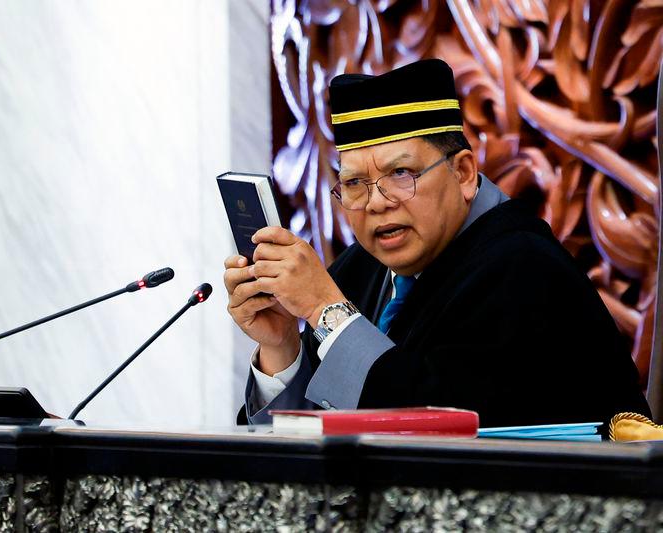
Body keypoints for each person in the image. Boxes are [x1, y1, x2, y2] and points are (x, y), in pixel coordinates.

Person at [223, 59, 651, 427]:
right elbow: (312, 436)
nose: (376, 203)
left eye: (401, 175)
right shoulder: (359, 269)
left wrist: (325, 312)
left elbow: (432, 425)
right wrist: (281, 347)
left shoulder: (526, 269)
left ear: (463, 173)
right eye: (354, 183)